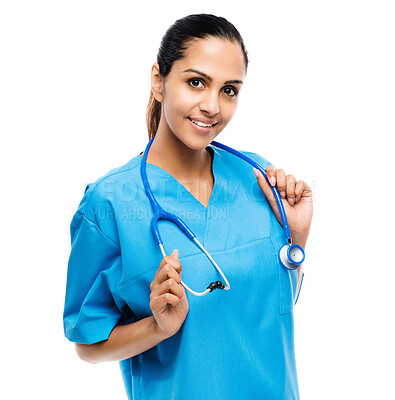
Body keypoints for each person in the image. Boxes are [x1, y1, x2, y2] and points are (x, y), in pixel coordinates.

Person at [63, 13, 313, 399]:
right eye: (196, 82)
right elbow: (88, 343)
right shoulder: (109, 203)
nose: (212, 106)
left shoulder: (259, 177)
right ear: (159, 81)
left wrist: (297, 237)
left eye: (229, 90)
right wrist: (157, 327)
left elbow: (272, 303)